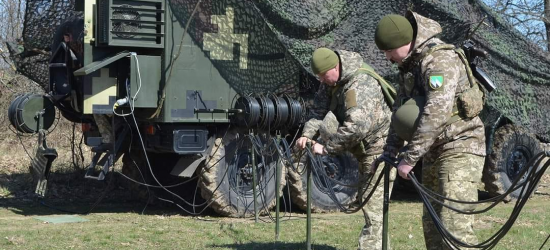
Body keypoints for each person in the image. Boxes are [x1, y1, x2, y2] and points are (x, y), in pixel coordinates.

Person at [373, 12, 486, 250]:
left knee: (454, 227)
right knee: (432, 226)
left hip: (461, 146)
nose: (387, 57)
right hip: (435, 149)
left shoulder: (439, 61)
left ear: (403, 43)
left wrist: (410, 158)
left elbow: (436, 113)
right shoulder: (410, 65)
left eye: (389, 51)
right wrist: (391, 149)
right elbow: (399, 110)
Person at [296, 47, 396, 250]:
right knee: (370, 207)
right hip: (365, 150)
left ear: (336, 67)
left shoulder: (359, 84)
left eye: (324, 75)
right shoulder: (333, 82)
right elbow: (318, 110)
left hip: (381, 149)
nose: (322, 81)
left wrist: (326, 149)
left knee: (373, 209)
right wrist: (307, 135)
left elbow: (356, 127)